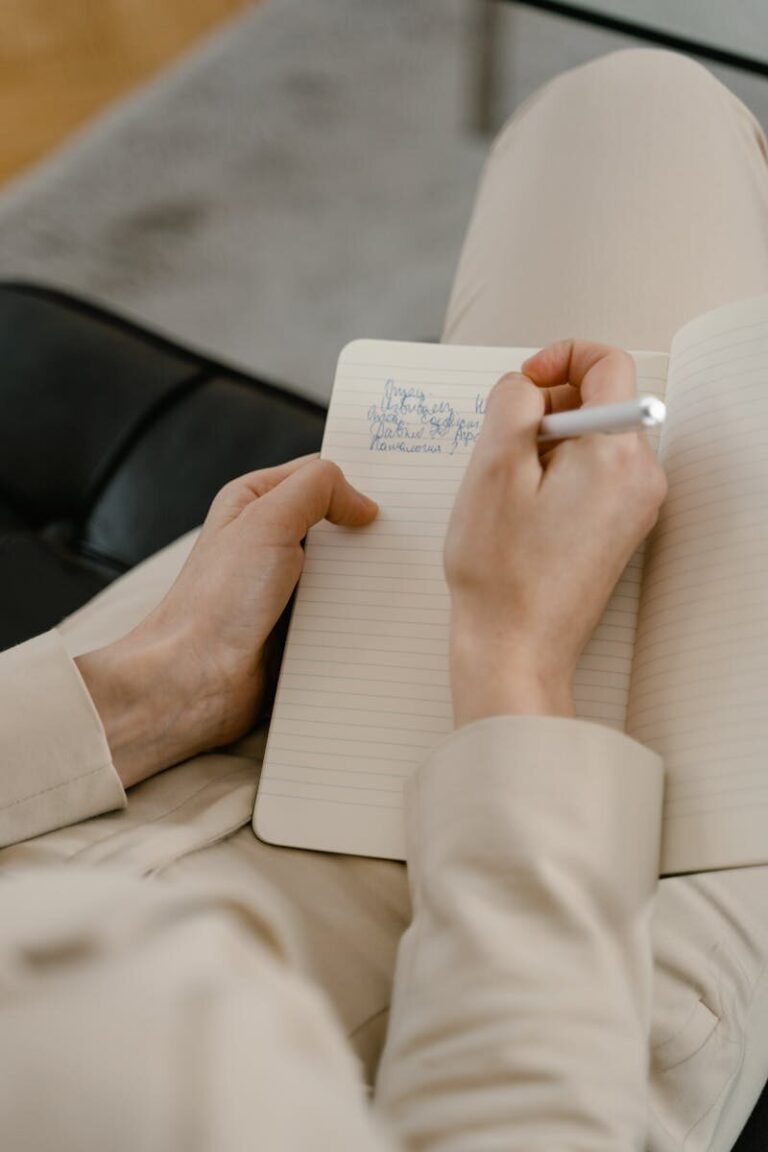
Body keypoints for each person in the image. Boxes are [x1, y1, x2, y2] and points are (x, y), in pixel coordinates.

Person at [1, 47, 767, 1151]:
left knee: (633, 111)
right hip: (533, 972)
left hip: (100, 764)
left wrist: (145, 690)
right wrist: (514, 668)